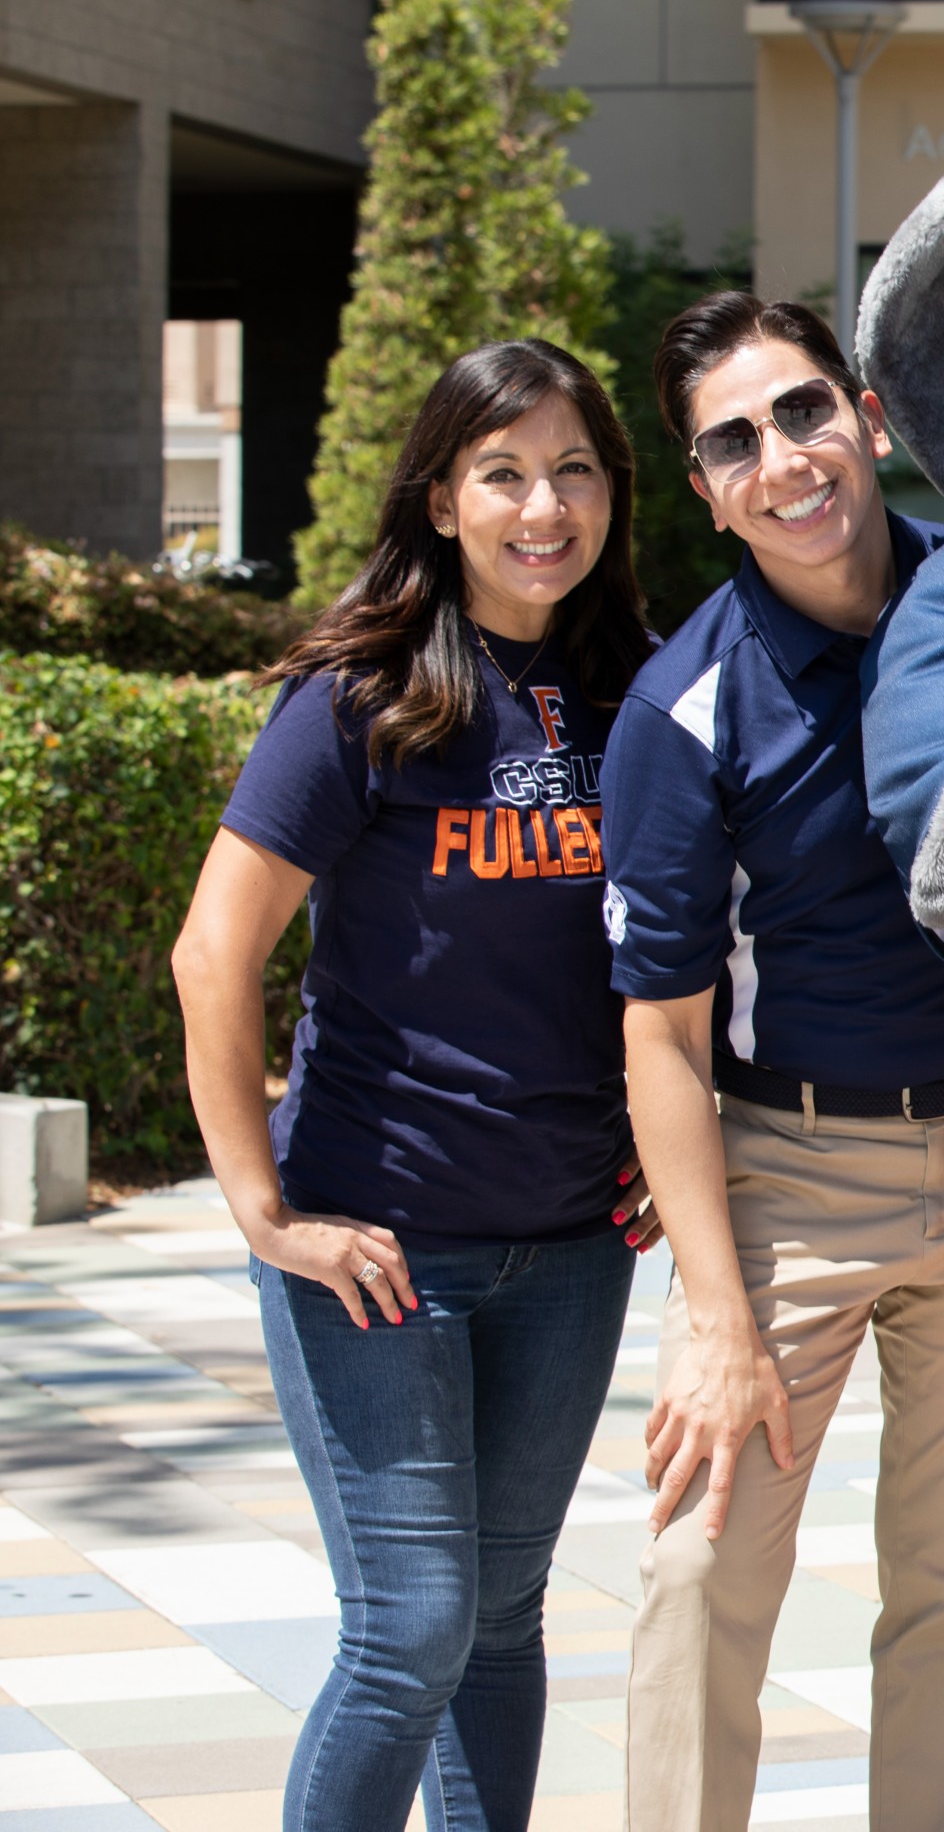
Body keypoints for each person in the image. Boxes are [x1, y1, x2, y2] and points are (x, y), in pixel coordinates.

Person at [599, 293, 944, 1832]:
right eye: (732, 442)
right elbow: (662, 1034)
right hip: (785, 1177)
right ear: (704, 488)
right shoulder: (683, 710)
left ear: (867, 417)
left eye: (801, 411)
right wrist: (719, 1313)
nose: (782, 459)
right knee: (696, 1573)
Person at [172, 340, 654, 1831]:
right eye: (503, 473)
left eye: (573, 469)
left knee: (504, 1619)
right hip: (379, 1243)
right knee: (411, 1627)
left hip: (572, 1245)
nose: (542, 507)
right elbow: (213, 952)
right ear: (442, 497)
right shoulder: (358, 697)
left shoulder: (632, 685)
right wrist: (266, 1214)